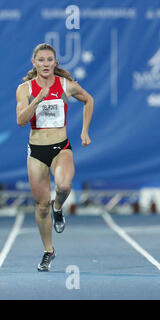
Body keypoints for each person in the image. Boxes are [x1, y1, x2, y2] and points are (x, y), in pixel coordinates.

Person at [16, 43, 94, 271]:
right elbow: (21, 120)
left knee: (63, 185)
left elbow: (89, 100)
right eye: (41, 60)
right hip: (37, 151)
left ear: (55, 63)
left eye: (49, 60)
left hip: (61, 147)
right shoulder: (25, 89)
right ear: (34, 63)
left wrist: (85, 131)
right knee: (41, 206)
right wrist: (37, 100)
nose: (46, 64)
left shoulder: (65, 85)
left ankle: (58, 208)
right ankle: (49, 251)